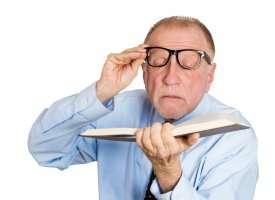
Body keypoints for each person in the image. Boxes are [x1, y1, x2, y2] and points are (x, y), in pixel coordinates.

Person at [28, 16, 258, 200]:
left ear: (210, 75)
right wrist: (101, 92)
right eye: (158, 60)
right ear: (144, 71)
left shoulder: (234, 135)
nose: (170, 78)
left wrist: (169, 175)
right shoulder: (118, 109)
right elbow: (46, 150)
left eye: (188, 63)